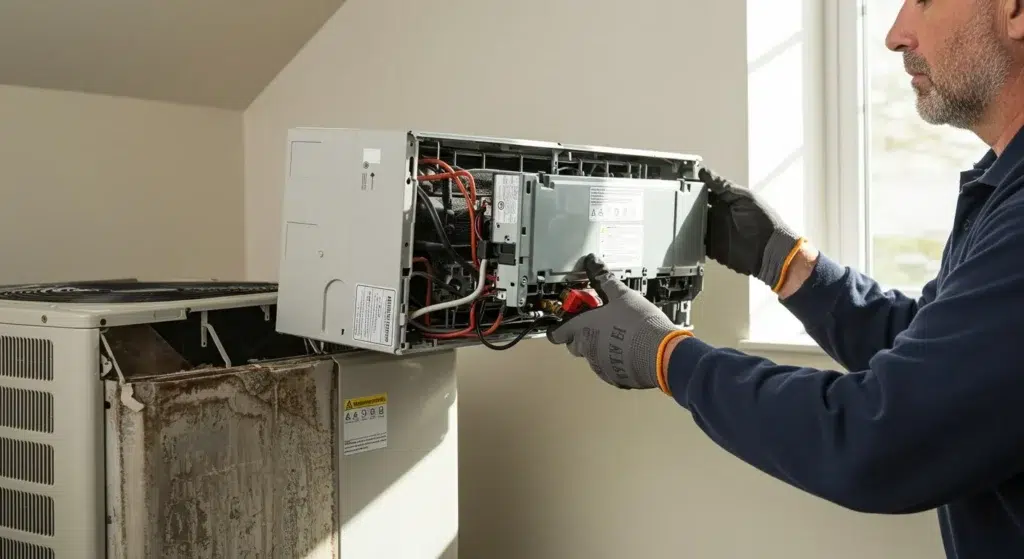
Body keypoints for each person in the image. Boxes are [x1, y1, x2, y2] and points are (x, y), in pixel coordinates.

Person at [546, 1, 1024, 557]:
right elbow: (947, 361)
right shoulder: (1003, 187)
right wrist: (793, 269)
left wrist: (670, 358)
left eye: (924, 0)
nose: (895, 35)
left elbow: (881, 440)